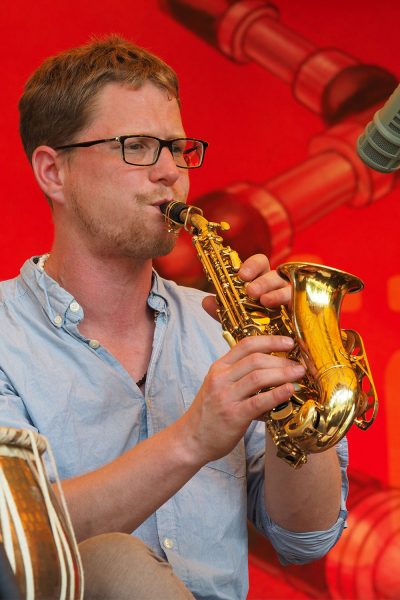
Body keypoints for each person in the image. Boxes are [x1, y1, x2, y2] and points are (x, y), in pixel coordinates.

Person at [0, 36, 348, 600]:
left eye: (178, 148)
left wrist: (304, 388)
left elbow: (306, 537)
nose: (170, 173)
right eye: (137, 146)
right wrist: (192, 438)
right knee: (116, 562)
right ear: (53, 172)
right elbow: (13, 541)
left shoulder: (222, 327)